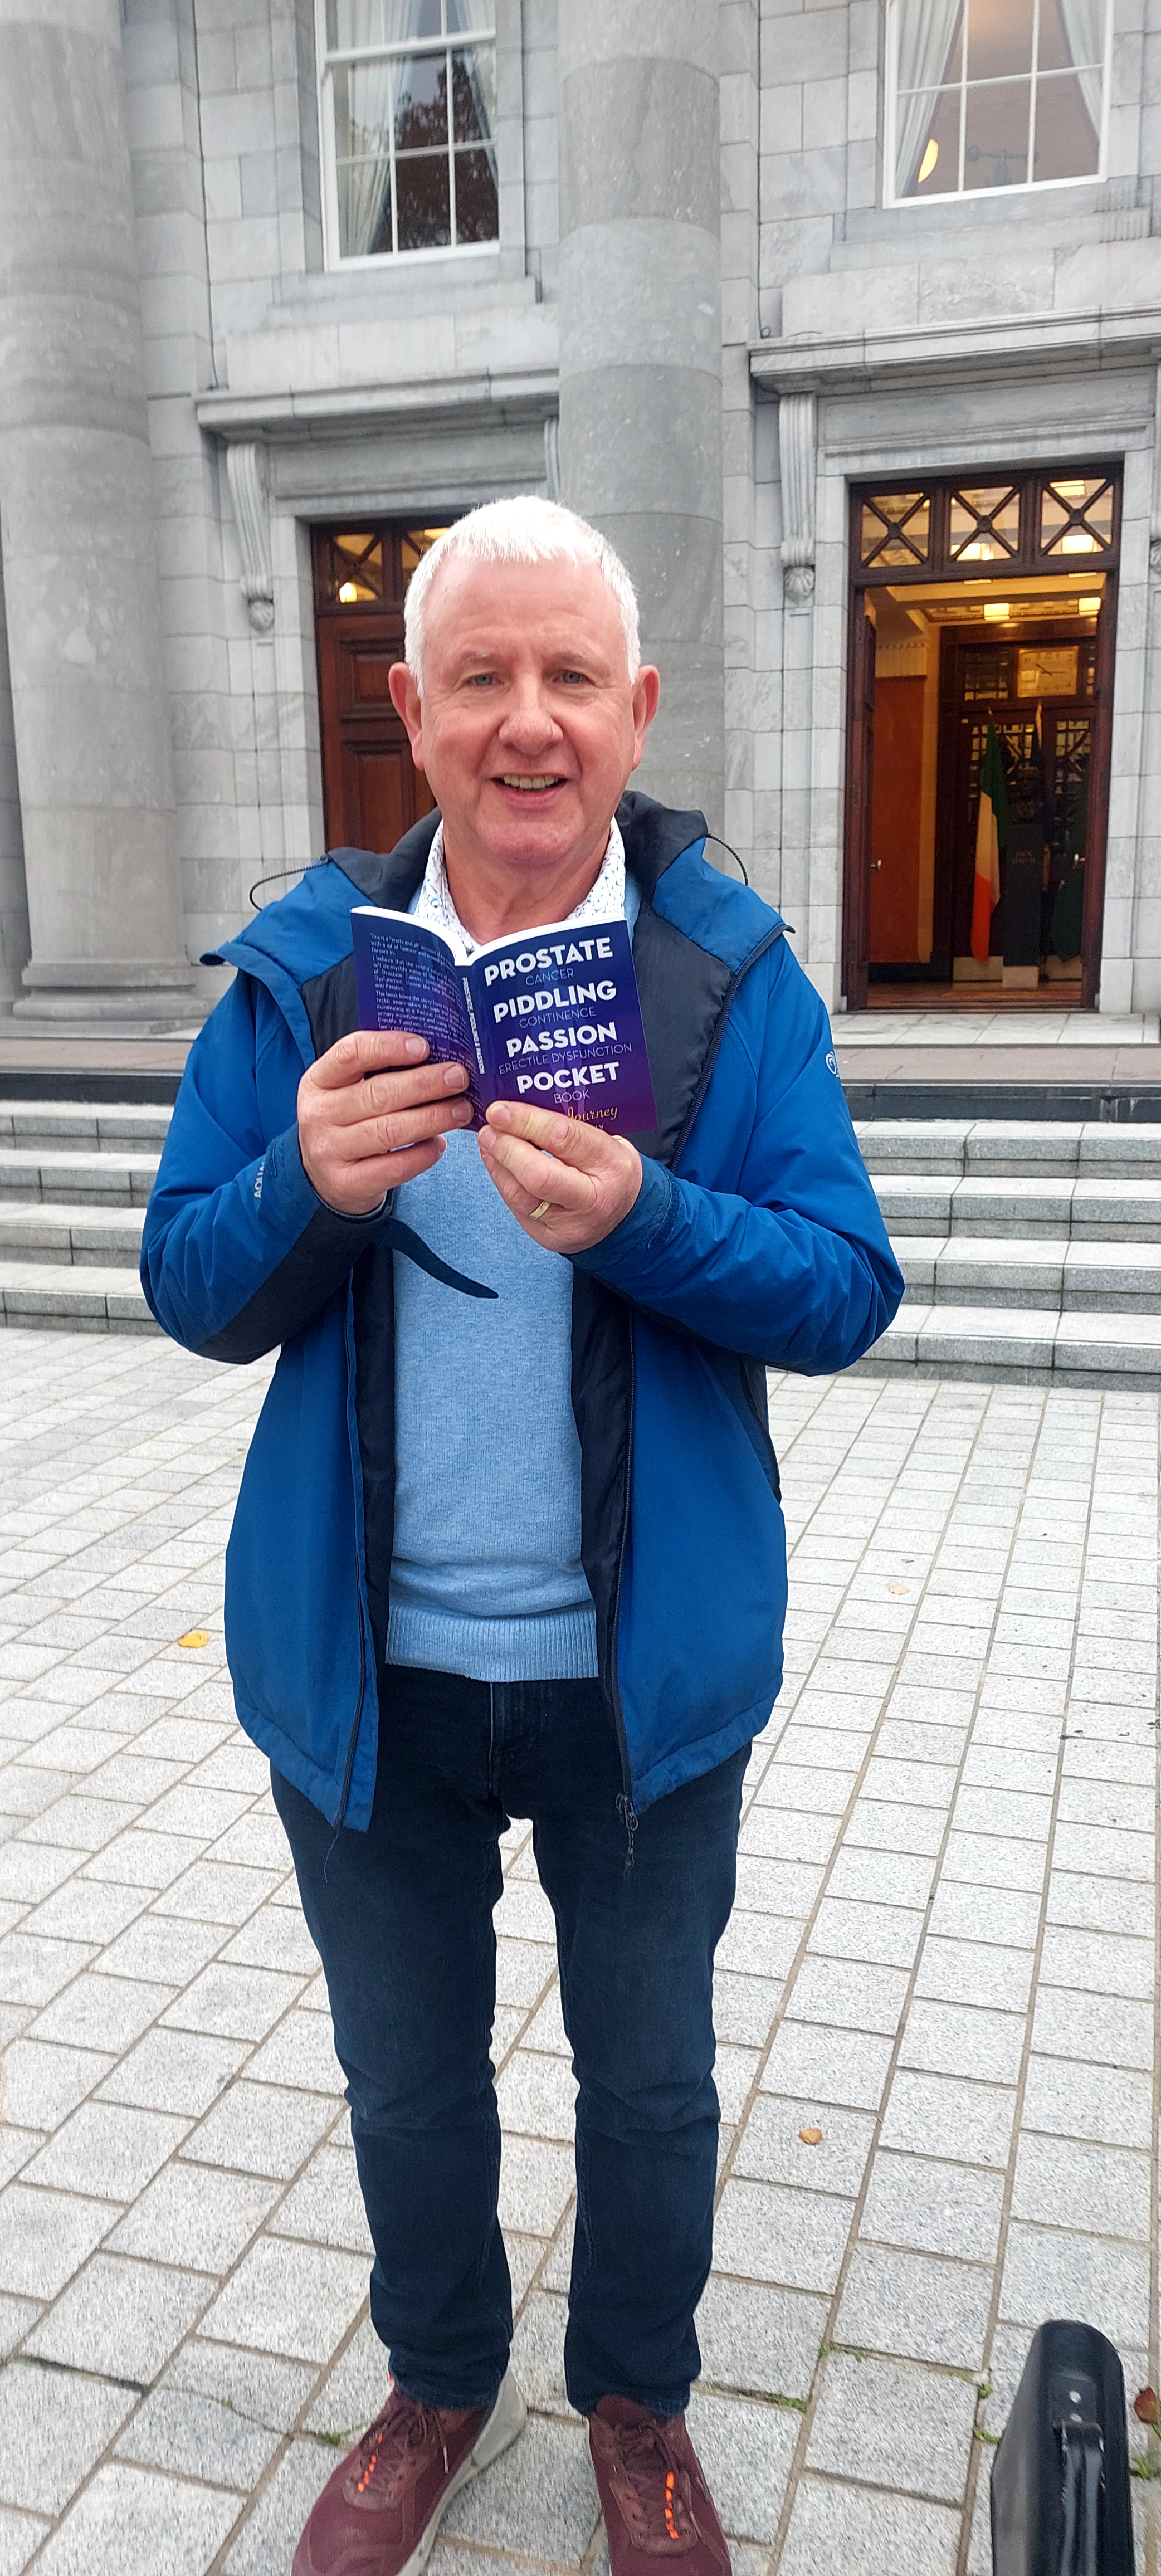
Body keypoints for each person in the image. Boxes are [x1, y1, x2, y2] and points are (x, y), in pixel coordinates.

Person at [141, 496, 903, 2576]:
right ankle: (439, 2379)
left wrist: (647, 1221)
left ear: (636, 707)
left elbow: (845, 1288)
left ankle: (638, 2405)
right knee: (407, 2087)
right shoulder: (307, 977)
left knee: (646, 2083)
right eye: (480, 675)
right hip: (367, 1671)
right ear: (410, 708)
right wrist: (305, 1184)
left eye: (572, 677)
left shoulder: (724, 980)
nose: (529, 723)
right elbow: (188, 1289)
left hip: (634, 1677)